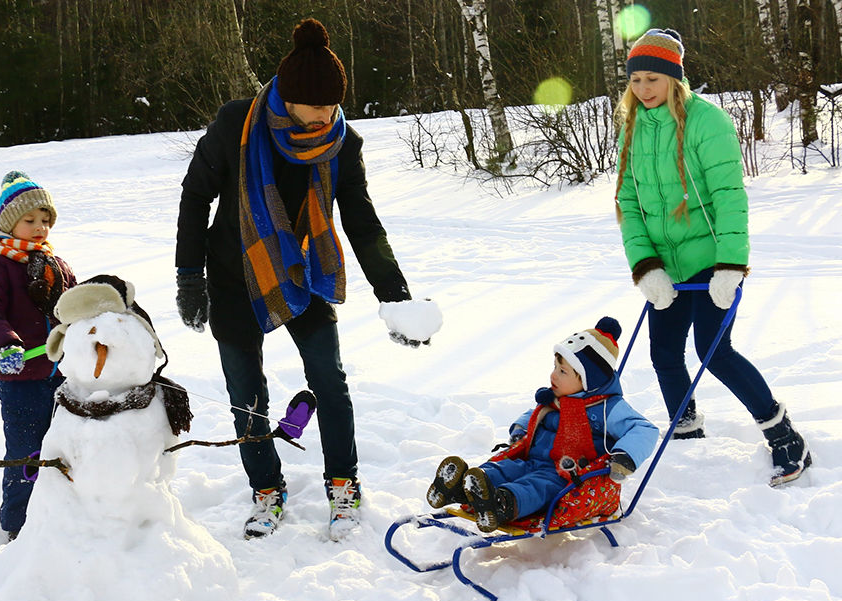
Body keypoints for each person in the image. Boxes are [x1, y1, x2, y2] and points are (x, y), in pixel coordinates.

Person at [175, 18, 440, 541]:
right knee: (245, 393)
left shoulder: (342, 142)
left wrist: (395, 296)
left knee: (330, 382)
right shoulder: (236, 125)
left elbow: (361, 220)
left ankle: (344, 484)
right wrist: (189, 276)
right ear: (288, 99)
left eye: (333, 105)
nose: (326, 115)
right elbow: (194, 195)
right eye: (315, 105)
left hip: (303, 272)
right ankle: (266, 491)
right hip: (232, 272)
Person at [614, 28, 811, 486]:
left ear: (674, 79)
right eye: (636, 80)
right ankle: (685, 431)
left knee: (712, 350)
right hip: (666, 266)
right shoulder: (632, 125)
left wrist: (729, 266)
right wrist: (645, 267)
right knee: (663, 352)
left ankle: (784, 436)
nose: (643, 89)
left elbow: (729, 199)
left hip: (710, 260)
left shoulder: (708, 122)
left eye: (653, 79)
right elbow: (627, 201)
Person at [427, 317, 659, 533]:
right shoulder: (558, 398)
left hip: (565, 474)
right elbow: (534, 414)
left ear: (589, 380)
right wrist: (520, 429)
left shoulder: (608, 408)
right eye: (555, 367)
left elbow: (644, 429)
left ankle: (502, 504)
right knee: (505, 469)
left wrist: (624, 455)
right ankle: (462, 487)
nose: (553, 376)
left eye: (563, 371)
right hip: (532, 460)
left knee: (537, 487)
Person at [0, 171, 76, 540]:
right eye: (30, 220)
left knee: (68, 448)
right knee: (26, 454)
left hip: (64, 377)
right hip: (22, 382)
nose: (39, 227)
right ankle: (18, 526)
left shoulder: (57, 265)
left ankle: (68, 515)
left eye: (45, 220)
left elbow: (73, 310)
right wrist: (5, 345)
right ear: (10, 223)